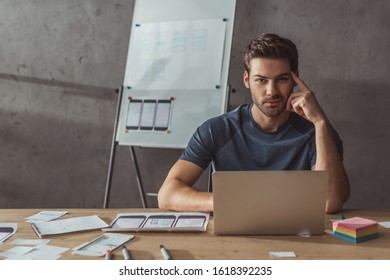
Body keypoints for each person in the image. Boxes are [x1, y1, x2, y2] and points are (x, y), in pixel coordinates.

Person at [158, 33, 350, 214]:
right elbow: (167, 195)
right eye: (261, 80)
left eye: (281, 79)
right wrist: (228, 202)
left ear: (295, 79)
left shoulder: (318, 131)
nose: (271, 91)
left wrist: (320, 121)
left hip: (298, 239)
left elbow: (329, 201)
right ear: (247, 80)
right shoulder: (217, 130)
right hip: (231, 238)